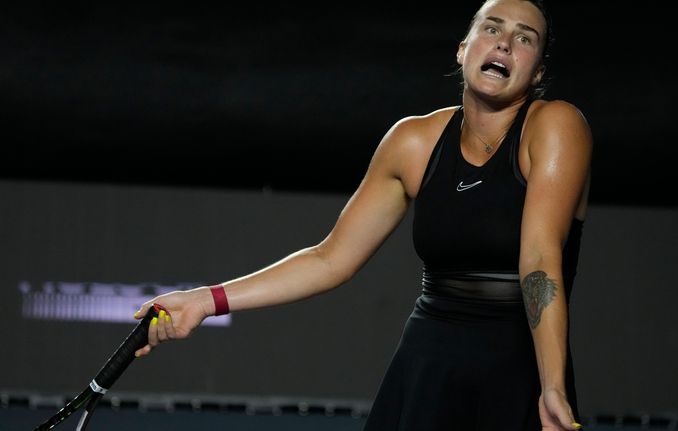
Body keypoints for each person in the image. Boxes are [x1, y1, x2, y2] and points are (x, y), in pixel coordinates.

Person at [134, 0, 592, 429]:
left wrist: (550, 384)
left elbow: (537, 256)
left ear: (537, 73)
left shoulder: (557, 126)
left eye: (524, 38)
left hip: (521, 367)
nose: (505, 43)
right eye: (491, 29)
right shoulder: (412, 142)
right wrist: (205, 300)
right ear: (463, 49)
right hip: (427, 363)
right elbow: (330, 259)